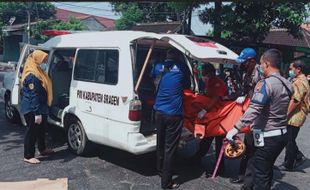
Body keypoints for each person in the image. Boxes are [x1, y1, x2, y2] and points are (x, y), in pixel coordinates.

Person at [226, 49, 292, 190]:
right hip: (281, 134)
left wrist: (235, 128)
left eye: (261, 64)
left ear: (267, 64)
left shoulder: (265, 84)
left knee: (260, 174)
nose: (260, 67)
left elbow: (254, 109)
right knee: (265, 170)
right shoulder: (288, 83)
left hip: (267, 135)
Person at [154, 49, 190, 189]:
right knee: (170, 148)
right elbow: (187, 85)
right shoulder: (181, 67)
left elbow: (153, 77)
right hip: (174, 113)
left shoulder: (158, 66)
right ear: (177, 56)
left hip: (159, 111)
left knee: (160, 143)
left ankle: (161, 171)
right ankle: (166, 183)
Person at [229, 48, 261, 184]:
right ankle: (245, 176)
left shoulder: (260, 74)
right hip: (251, 115)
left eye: (245, 62)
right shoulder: (246, 73)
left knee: (257, 148)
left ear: (252, 61)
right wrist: (243, 95)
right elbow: (247, 89)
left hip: (260, 119)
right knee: (249, 147)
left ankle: (254, 178)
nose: (242, 65)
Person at [191, 63, 228, 177]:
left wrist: (205, 110)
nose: (203, 76)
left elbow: (215, 98)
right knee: (206, 139)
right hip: (212, 117)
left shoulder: (217, 83)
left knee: (219, 143)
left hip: (220, 117)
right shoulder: (210, 81)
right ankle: (196, 159)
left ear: (210, 73)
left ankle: (220, 168)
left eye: (204, 73)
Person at [20, 50, 54, 164]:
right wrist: (36, 113)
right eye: (43, 60)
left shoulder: (38, 70)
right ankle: (28, 156)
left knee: (41, 130)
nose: (44, 62)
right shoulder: (31, 75)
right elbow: (32, 95)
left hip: (40, 106)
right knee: (32, 132)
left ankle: (42, 149)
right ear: (37, 59)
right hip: (32, 108)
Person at [281, 60, 310, 171]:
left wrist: (286, 114)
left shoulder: (299, 82)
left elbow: (296, 100)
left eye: (291, 68)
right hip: (296, 114)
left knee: (289, 140)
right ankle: (298, 156)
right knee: (289, 139)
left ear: (298, 69)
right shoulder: (300, 80)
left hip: (295, 115)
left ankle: (289, 163)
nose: (290, 71)